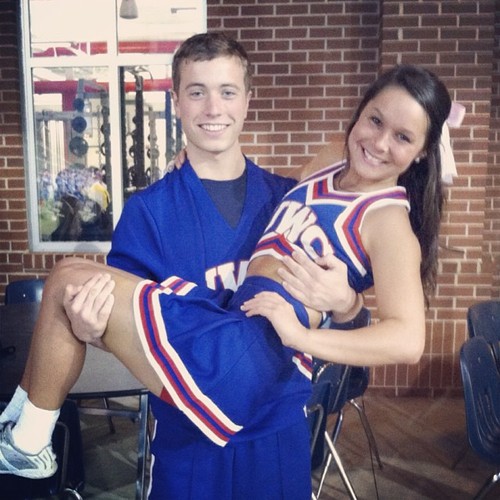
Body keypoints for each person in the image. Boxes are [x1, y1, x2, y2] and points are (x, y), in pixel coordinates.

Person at [0, 62, 451, 499]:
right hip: (226, 342)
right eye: (374, 120)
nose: (379, 142)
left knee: (65, 279)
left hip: (250, 368)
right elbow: (354, 153)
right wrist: (196, 161)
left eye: (403, 137)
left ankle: (26, 444)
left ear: (422, 151)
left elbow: (407, 341)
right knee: (66, 278)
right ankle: (21, 436)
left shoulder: (389, 223)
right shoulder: (329, 164)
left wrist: (314, 328)